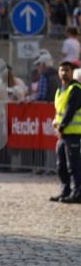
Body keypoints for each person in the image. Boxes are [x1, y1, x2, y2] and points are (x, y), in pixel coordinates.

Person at [50, 61, 81, 203]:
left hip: (73, 134)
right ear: (58, 72)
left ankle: (77, 193)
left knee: (73, 165)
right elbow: (60, 112)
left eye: (67, 70)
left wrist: (61, 127)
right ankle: (65, 191)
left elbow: (70, 111)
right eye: (61, 70)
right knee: (61, 165)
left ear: (72, 72)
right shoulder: (60, 90)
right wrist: (56, 124)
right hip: (62, 135)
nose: (64, 73)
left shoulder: (75, 89)